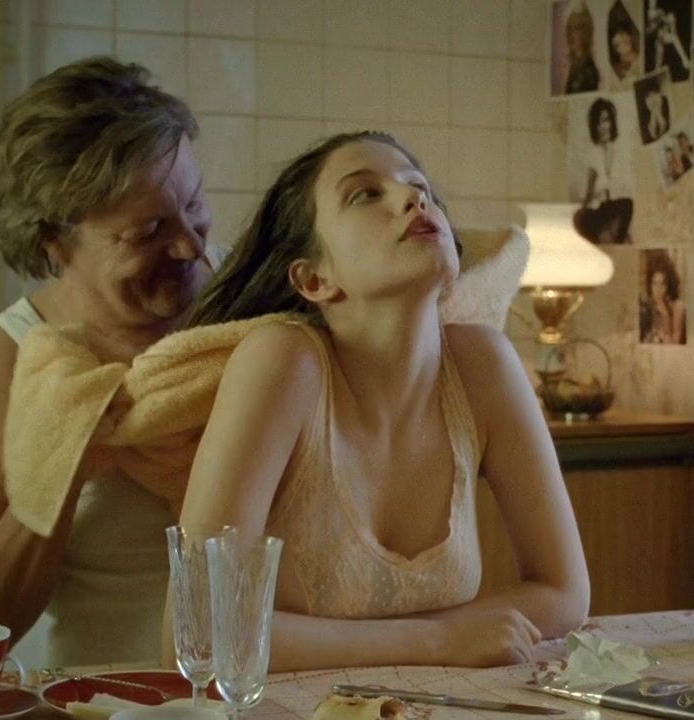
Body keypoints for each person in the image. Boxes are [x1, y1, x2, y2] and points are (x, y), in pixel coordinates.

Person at [174, 131, 591, 671]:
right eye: (365, 194)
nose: (414, 198)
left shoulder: (484, 366)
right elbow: (200, 630)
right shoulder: (283, 363)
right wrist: (439, 642)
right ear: (314, 279)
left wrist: (441, 641)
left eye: (421, 187)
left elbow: (564, 592)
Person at [0, 57, 216, 666]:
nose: (190, 245)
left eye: (194, 204)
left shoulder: (246, 309)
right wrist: (57, 468)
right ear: (57, 242)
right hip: (104, 697)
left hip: (268, 694)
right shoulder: (4, 361)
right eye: (146, 232)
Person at [572, 98, 634, 244]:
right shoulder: (593, 154)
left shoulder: (617, 150)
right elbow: (588, 193)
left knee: (628, 204)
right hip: (595, 209)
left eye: (606, 120)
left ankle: (618, 241)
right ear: (594, 127)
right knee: (582, 219)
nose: (604, 126)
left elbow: (620, 190)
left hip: (610, 207)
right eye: (599, 122)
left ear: (612, 122)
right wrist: (583, 209)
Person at [640, 251, 686, 344]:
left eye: (662, 284)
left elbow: (676, 343)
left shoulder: (677, 307)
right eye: (654, 283)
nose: (658, 289)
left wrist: (663, 336)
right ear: (650, 285)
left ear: (668, 284)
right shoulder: (646, 307)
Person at [563, 3, 600, 94]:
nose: (571, 34)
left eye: (577, 29)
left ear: (585, 33)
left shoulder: (589, 71)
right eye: (570, 28)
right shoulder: (572, 66)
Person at [607, 1, 642, 86]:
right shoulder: (613, 72)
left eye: (623, 33)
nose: (623, 40)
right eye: (618, 44)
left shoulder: (642, 60)